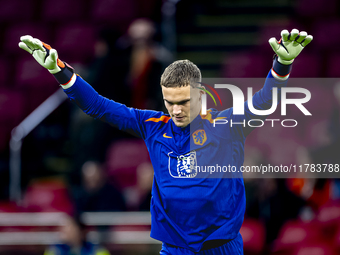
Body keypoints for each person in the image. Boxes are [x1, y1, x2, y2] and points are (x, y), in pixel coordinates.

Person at [19, 29, 312, 254]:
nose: (176, 110)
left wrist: (282, 64)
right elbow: (97, 104)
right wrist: (59, 70)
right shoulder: (153, 127)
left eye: (184, 101)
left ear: (200, 95)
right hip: (174, 248)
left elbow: (264, 102)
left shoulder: (226, 125)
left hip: (222, 247)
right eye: (169, 102)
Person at [44, 215, 110, 255]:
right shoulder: (54, 251)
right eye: (64, 228)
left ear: (81, 231)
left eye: (69, 228)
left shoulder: (97, 251)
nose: (65, 231)